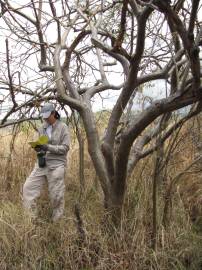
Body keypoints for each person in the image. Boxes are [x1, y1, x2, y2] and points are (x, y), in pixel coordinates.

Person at [23, 103, 70, 222]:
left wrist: (47, 147)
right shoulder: (41, 127)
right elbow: (40, 143)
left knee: (56, 195)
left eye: (47, 116)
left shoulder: (63, 127)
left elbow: (65, 148)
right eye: (43, 116)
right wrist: (38, 147)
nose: (45, 118)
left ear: (54, 113)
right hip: (41, 164)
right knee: (28, 188)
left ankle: (57, 223)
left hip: (57, 165)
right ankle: (31, 220)